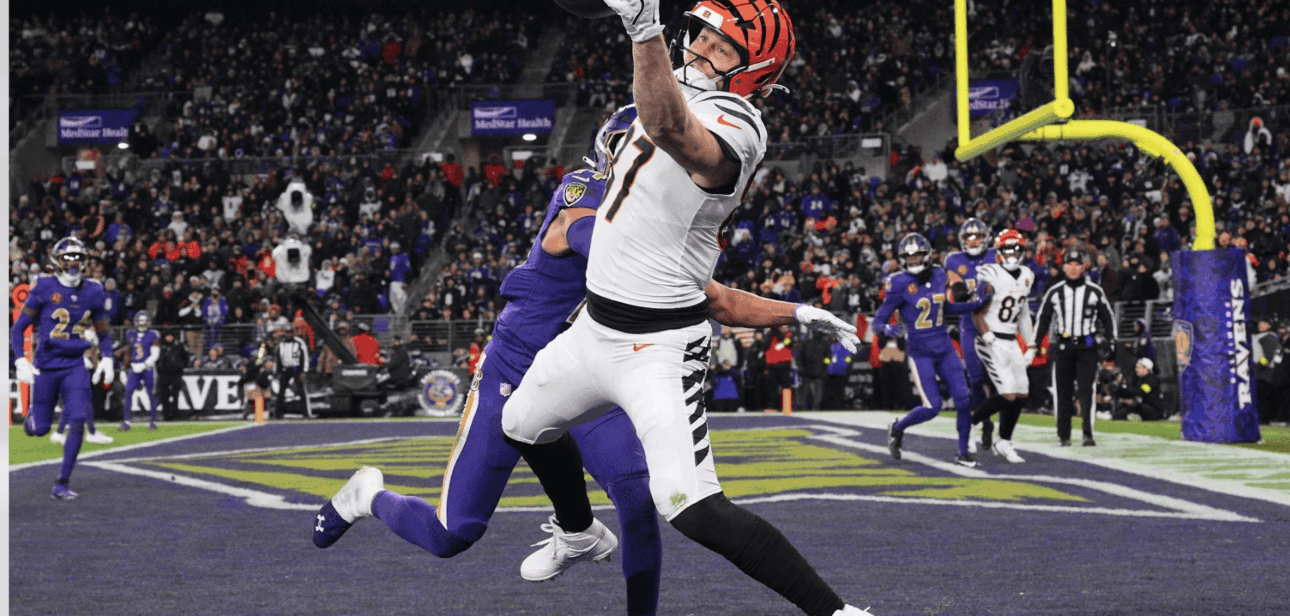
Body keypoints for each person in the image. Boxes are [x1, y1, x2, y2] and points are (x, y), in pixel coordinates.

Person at [318, 94, 859, 616]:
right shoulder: (588, 192)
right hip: (523, 363)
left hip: (607, 364)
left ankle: (584, 542)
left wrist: (800, 312)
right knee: (451, 534)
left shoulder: (660, 217)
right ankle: (370, 495)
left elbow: (713, 297)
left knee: (640, 504)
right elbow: (589, 238)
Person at [495, 3, 867, 613]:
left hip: (658, 348)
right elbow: (714, 291)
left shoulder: (739, 123)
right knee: (523, 426)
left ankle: (841, 613)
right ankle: (580, 533)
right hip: (592, 328)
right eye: (699, 36)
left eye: (722, 49)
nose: (698, 50)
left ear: (755, 72)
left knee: (692, 509)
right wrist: (795, 312)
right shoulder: (674, 95)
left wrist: (645, 28)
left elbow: (673, 130)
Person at [10, 237, 117, 499]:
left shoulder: (93, 290)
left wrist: (108, 358)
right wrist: (19, 360)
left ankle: (62, 482)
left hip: (74, 365)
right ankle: (32, 420)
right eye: (68, 259)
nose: (73, 264)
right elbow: (18, 327)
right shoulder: (44, 286)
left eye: (77, 258)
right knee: (40, 429)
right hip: (46, 366)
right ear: (57, 261)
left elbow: (103, 332)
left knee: (78, 418)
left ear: (85, 262)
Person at [875, 233, 981, 467]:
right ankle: (898, 427)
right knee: (933, 407)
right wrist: (886, 328)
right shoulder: (898, 282)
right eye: (908, 257)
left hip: (944, 348)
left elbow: (945, 307)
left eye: (917, 255)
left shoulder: (939, 273)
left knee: (964, 400)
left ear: (927, 255)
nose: (912, 260)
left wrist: (974, 305)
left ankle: (963, 452)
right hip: (920, 351)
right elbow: (877, 321)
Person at [1034, 249, 1116, 446]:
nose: (1072, 268)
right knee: (1062, 391)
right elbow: (1043, 319)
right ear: (1063, 267)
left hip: (1087, 346)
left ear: (1083, 266)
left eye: (1077, 264)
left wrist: (1111, 341)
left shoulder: (1094, 291)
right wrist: (1036, 343)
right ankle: (1064, 435)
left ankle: (1087, 433)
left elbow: (1108, 317)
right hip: (1063, 347)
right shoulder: (1055, 291)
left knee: (1087, 391)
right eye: (1069, 264)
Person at [967, 230, 1037, 463]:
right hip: (991, 339)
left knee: (1021, 392)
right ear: (998, 252)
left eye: (1015, 249)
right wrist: (990, 339)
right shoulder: (990, 273)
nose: (1012, 253)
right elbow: (977, 313)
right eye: (1007, 249)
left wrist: (1032, 345)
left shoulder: (1027, 274)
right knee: (1007, 392)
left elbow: (1024, 313)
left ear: (1022, 250)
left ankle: (1004, 441)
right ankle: (970, 425)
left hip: (1011, 339)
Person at [943, 218, 997, 421]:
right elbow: (958, 293)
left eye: (978, 236)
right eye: (969, 237)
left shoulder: (996, 255)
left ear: (985, 238)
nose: (973, 241)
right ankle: (985, 418)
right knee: (974, 377)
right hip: (970, 323)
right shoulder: (955, 260)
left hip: (995, 322)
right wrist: (975, 292)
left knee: (999, 375)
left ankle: (1000, 414)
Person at [121, 311, 161, 430]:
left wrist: (143, 365)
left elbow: (155, 355)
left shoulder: (153, 334)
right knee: (128, 392)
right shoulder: (130, 334)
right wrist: (125, 366)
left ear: (148, 322)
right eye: (140, 322)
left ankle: (153, 421)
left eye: (144, 322)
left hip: (148, 368)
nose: (142, 324)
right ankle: (127, 421)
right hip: (134, 367)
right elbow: (128, 351)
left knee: (151, 393)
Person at [272, 326, 312, 419]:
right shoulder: (281, 344)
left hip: (296, 369)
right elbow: (278, 359)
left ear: (293, 333)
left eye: (290, 332)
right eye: (287, 332)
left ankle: (306, 413)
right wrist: (277, 371)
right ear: (284, 333)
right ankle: (278, 414)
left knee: (301, 391)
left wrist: (303, 371)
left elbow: (304, 357)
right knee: (281, 392)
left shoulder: (299, 343)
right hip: (285, 369)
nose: (289, 334)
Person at [155, 330, 190, 421]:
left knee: (175, 395)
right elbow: (156, 358)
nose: (169, 338)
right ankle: (166, 415)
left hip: (176, 373)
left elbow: (185, 357)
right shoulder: (160, 346)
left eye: (171, 336)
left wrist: (180, 366)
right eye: (167, 336)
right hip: (163, 374)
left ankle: (175, 414)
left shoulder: (178, 346)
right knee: (164, 395)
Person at [1253, 317, 1281, 425]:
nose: (1261, 325)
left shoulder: (1270, 338)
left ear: (1269, 326)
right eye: (1260, 323)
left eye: (1264, 323)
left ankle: (1264, 420)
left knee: (1263, 397)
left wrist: (1258, 366)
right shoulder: (1260, 336)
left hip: (1264, 373)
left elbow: (1267, 358)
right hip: (1260, 372)